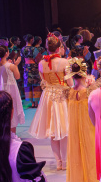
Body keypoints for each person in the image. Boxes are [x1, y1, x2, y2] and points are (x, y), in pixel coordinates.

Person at [28, 36, 71, 170]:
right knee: (63, 130)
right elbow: (70, 83)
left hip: (48, 96)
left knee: (53, 131)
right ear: (58, 48)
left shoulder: (42, 63)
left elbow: (43, 81)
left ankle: (58, 161)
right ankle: (64, 162)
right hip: (61, 95)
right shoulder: (64, 62)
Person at [64, 58, 101, 182]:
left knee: (80, 155)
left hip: (75, 130)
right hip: (89, 127)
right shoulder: (89, 92)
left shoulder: (70, 93)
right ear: (84, 73)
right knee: (90, 155)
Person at [0, 44, 25, 130]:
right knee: (12, 110)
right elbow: (17, 77)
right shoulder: (10, 66)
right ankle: (12, 134)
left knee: (3, 110)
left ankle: (4, 132)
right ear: (7, 53)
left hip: (0, 89)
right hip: (11, 90)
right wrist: (16, 65)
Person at [22, 36, 43, 108]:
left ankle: (32, 103)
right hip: (34, 67)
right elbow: (39, 59)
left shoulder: (22, 49)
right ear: (31, 40)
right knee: (35, 84)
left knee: (28, 84)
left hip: (26, 68)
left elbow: (22, 59)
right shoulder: (34, 49)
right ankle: (36, 102)